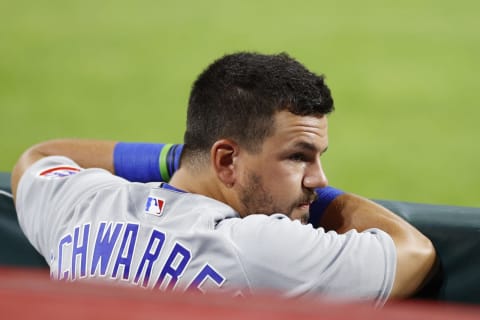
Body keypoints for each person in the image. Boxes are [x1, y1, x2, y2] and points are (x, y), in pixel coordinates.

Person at [11, 52, 436, 306]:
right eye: (298, 158)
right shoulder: (258, 249)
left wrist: (173, 159)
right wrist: (323, 200)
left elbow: (40, 156)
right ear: (227, 160)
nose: (317, 177)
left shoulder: (82, 205)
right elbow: (414, 252)